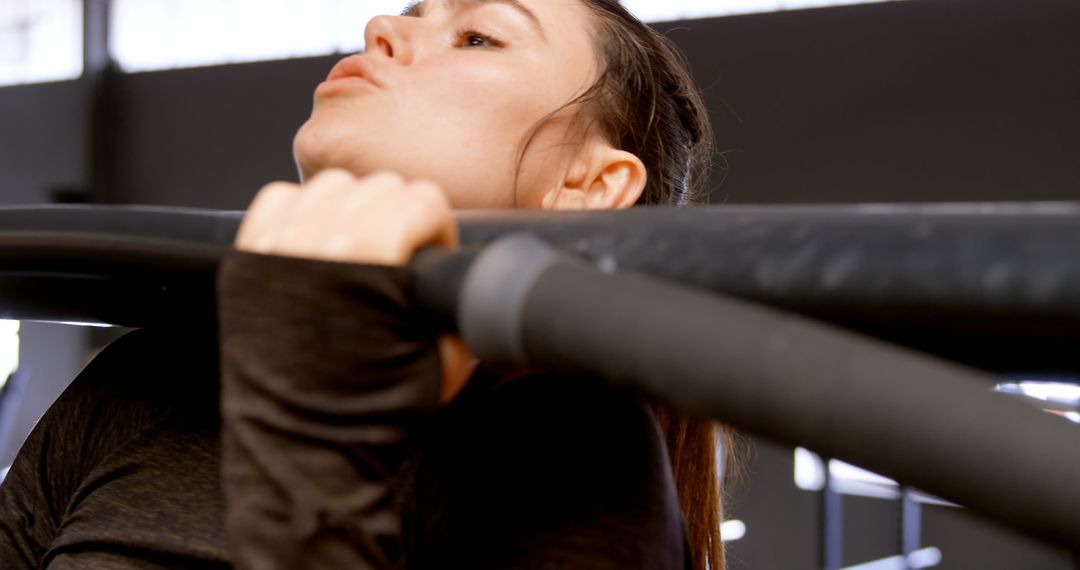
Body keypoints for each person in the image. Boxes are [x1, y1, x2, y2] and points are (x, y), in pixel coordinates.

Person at [0, 0, 728, 568]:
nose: (382, 24)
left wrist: (310, 419)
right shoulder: (151, 373)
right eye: (411, 15)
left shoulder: (569, 444)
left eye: (479, 37)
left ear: (590, 183)